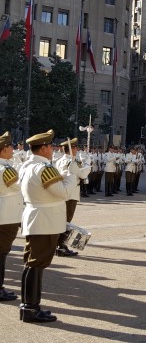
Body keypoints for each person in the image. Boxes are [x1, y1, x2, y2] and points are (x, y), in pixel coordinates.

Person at [19, 129, 75, 323]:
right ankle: (31, 309)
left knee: (31, 263)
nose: (52, 149)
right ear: (43, 148)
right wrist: (70, 176)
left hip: (35, 218)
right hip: (45, 221)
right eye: (50, 146)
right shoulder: (44, 169)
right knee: (37, 264)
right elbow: (63, 193)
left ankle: (28, 306)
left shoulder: (27, 166)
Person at [54, 138, 91, 256]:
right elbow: (82, 174)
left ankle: (58, 245)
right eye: (75, 148)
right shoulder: (72, 162)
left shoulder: (60, 161)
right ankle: (61, 246)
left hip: (63, 193)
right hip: (71, 195)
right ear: (72, 149)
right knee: (66, 221)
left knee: (61, 220)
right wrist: (87, 165)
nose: (77, 150)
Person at [0, 132, 22, 302]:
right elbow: (19, 187)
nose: (13, 149)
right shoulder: (6, 170)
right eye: (11, 147)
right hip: (6, 218)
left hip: (5, 215)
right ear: (3, 149)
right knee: (1, 253)